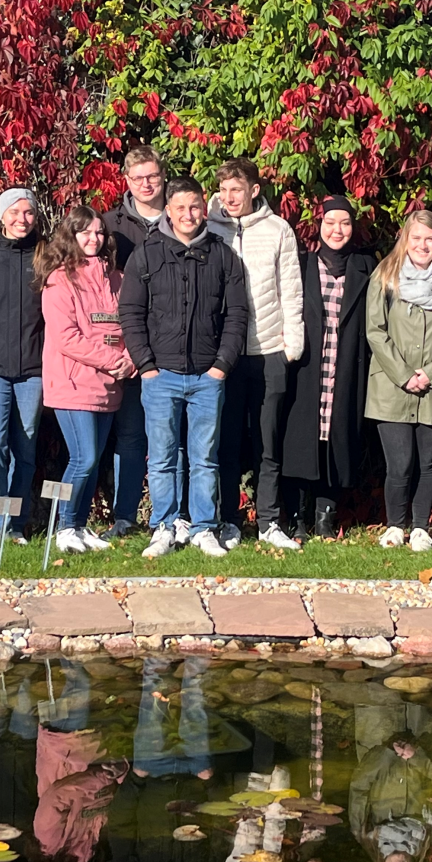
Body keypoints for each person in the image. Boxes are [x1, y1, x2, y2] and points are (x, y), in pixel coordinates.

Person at [119, 176, 249, 559]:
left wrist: (222, 365)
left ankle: (204, 528)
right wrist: (145, 364)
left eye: (195, 207)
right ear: (169, 211)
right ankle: (164, 526)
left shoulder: (222, 255)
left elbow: (237, 314)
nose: (189, 215)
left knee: (204, 458)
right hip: (160, 375)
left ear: (203, 208)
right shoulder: (146, 254)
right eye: (180, 208)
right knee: (161, 459)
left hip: (207, 376)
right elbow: (130, 313)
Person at [208, 157, 305, 550]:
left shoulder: (279, 230)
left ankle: (268, 521)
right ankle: (229, 520)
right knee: (227, 442)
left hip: (269, 350)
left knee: (268, 443)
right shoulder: (209, 229)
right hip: (223, 355)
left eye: (237, 189)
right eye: (224, 190)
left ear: (254, 190)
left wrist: (291, 345)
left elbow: (291, 289)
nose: (230, 197)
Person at [364, 210, 432, 551]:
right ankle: (396, 526)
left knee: (427, 463)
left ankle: (421, 527)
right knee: (400, 463)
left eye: (431, 238)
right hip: (391, 387)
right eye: (417, 238)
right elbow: (375, 331)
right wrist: (404, 375)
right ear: (405, 240)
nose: (423, 245)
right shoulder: (386, 276)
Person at [39, 206, 135, 552]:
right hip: (72, 384)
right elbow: (67, 337)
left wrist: (129, 360)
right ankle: (64, 527)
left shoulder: (118, 280)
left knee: (93, 461)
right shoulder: (59, 280)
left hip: (110, 385)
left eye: (98, 233)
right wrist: (113, 360)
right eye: (85, 233)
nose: (93, 239)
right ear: (71, 237)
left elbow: (130, 325)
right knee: (84, 457)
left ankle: (79, 527)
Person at [281, 196, 375, 540]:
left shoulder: (366, 266)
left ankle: (325, 517)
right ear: (319, 226)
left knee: (335, 442)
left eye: (345, 223)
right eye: (331, 222)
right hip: (306, 368)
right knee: (301, 441)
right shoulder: (302, 264)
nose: (338, 230)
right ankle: (297, 518)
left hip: (346, 366)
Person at [0, 187, 46, 547]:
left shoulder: (46, 255)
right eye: (14, 212)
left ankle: (15, 524)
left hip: (34, 369)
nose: (22, 219)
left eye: (28, 212)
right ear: (1, 215)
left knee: (25, 450)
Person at [100, 145, 168, 537]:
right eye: (138, 177)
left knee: (168, 438)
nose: (146, 184)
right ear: (126, 181)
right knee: (125, 436)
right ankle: (123, 516)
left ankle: (170, 516)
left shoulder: (182, 218)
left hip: (172, 345)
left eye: (153, 176)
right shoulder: (110, 225)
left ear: (163, 177)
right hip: (123, 349)